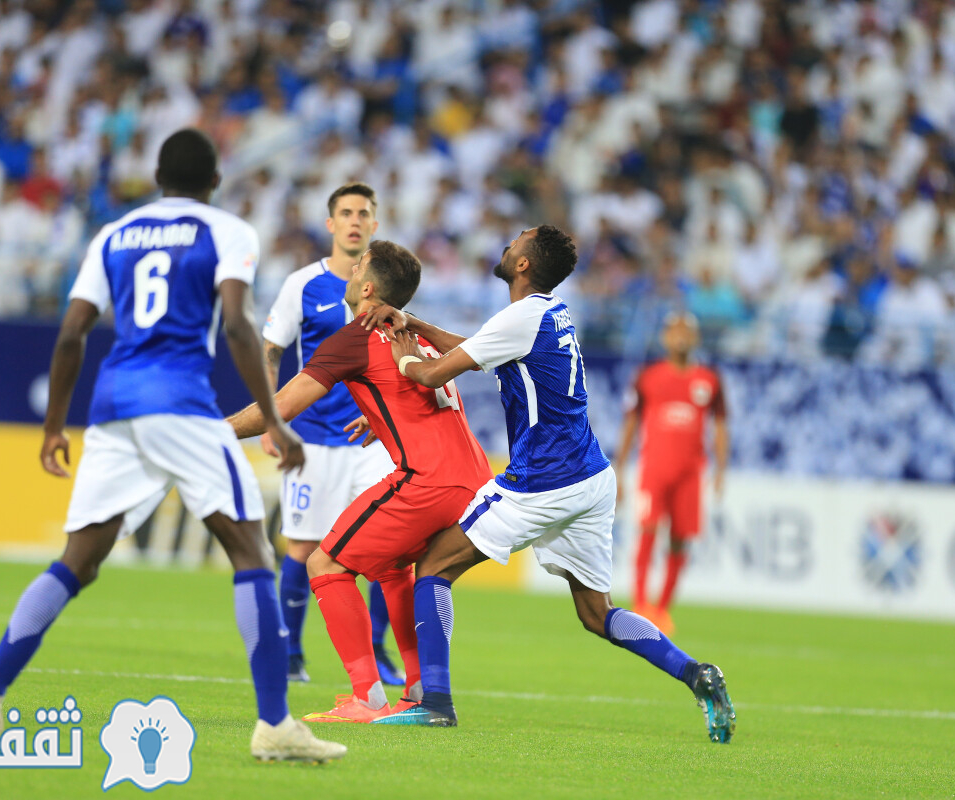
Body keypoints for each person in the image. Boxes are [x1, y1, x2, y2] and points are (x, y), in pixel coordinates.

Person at [0, 129, 346, 764]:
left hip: (113, 409)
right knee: (250, 550)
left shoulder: (113, 234)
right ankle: (275, 724)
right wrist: (273, 419)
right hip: (183, 406)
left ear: (157, 178)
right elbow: (239, 325)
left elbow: (73, 332)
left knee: (78, 558)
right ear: (215, 180)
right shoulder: (227, 230)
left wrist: (55, 424)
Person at [367, 225, 736, 743]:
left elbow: (430, 376)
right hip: (590, 476)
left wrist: (404, 355)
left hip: (544, 479)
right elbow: (476, 348)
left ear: (523, 264)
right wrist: (414, 323)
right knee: (596, 612)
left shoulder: (520, 317)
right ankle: (696, 674)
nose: (507, 242)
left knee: (432, 565)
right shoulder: (549, 312)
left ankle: (436, 702)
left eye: (516, 239)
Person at [229, 240, 493, 723]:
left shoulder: (353, 338)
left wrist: (209, 433)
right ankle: (416, 690)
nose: (351, 271)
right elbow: (426, 386)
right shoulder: (415, 334)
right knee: (393, 569)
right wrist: (383, 414)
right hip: (473, 480)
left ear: (367, 288)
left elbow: (279, 409)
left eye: (359, 268)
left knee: (324, 563)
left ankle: (366, 697)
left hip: (427, 482)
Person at [261, 181, 402, 686]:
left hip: (372, 441)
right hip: (315, 439)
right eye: (345, 212)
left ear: (374, 224)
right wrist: (272, 420)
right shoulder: (302, 284)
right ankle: (291, 650)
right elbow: (271, 350)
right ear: (331, 224)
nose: (355, 220)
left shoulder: (387, 288)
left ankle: (379, 652)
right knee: (301, 547)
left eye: (364, 212)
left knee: (387, 549)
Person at [614, 313, 728, 634]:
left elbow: (720, 426)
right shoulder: (647, 377)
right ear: (664, 337)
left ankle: (662, 609)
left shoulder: (709, 380)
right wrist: (620, 467)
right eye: (674, 330)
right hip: (655, 470)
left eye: (687, 331)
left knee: (680, 540)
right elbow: (631, 423)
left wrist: (721, 469)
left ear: (696, 338)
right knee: (648, 529)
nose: (680, 336)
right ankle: (640, 604)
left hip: (690, 474)